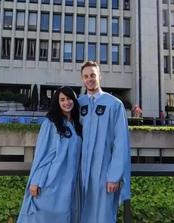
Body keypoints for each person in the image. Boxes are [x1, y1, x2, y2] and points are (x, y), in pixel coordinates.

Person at [17, 86, 82, 223]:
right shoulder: (50, 123)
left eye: (69, 98)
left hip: (71, 183)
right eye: (62, 100)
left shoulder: (77, 125)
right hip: (52, 180)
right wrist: (35, 181)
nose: (66, 102)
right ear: (57, 103)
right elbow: (42, 154)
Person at [78, 61, 131, 223]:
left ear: (99, 76)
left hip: (104, 174)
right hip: (80, 173)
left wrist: (114, 176)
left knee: (103, 216)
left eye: (93, 75)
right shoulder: (78, 104)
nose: (90, 79)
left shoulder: (114, 104)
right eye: (86, 76)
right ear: (82, 79)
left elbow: (121, 142)